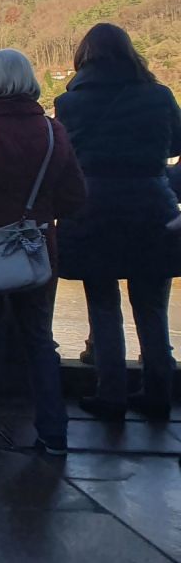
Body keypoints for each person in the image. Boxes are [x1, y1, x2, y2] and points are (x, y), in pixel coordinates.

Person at [0, 49, 86, 455]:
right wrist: (37, 216)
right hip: (35, 248)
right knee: (40, 341)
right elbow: (75, 195)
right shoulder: (51, 130)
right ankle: (54, 431)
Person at [53, 24, 181, 423]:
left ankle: (111, 393)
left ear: (83, 57)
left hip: (93, 207)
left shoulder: (70, 103)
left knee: (103, 307)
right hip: (151, 204)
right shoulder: (159, 96)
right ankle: (160, 389)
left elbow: (65, 155)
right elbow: (177, 144)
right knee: (151, 306)